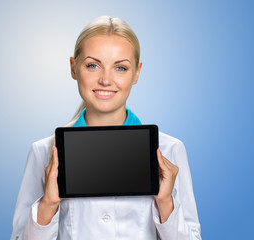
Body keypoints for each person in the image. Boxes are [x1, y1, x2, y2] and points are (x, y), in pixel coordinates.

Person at [11, 16, 201, 240]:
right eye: (93, 65)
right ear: (73, 68)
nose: (105, 80)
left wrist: (165, 203)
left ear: (137, 73)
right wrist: (48, 204)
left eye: (120, 68)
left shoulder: (169, 150)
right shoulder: (44, 152)